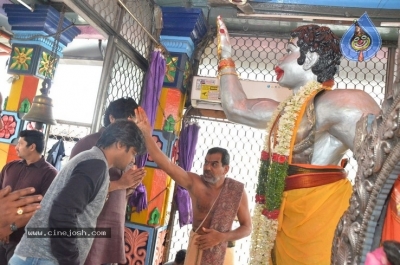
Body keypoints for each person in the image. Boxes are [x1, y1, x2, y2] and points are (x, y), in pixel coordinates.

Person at [216, 16, 381, 264]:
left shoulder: (339, 104)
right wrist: (226, 55)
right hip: (280, 219)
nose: (279, 60)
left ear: (311, 58)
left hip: (318, 222)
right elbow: (235, 107)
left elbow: (380, 165)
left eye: (289, 51)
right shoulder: (283, 111)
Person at [9, 120, 146, 265]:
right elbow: (62, 212)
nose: (132, 159)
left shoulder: (93, 161)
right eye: (133, 152)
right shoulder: (95, 165)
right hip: (44, 258)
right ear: (120, 144)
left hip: (39, 256)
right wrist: (71, 260)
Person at [135, 107, 252, 265]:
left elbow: (247, 228)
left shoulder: (236, 191)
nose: (207, 167)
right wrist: (146, 134)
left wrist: (221, 237)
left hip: (223, 248)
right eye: (206, 162)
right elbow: (167, 165)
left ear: (226, 169)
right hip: (197, 245)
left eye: (214, 164)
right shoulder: (194, 183)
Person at [69, 97, 146, 265]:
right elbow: (74, 190)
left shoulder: (126, 146)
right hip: (91, 223)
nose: (131, 129)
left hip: (113, 221)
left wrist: (131, 186)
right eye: (128, 123)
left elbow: (123, 190)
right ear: (111, 119)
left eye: (133, 125)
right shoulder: (89, 145)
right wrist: (120, 184)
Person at [0, 130, 58, 263]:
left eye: (20, 143)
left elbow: (42, 211)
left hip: (22, 241)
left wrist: (10, 228)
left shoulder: (50, 174)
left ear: (32, 147)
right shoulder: (10, 166)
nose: (16, 147)